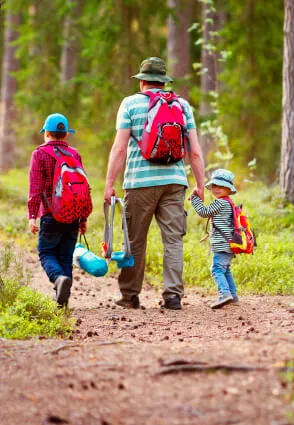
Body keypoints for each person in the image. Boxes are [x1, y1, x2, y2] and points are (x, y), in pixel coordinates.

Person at [104, 57, 205, 310]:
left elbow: (119, 148)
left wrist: (109, 184)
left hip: (139, 183)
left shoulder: (129, 104)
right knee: (173, 240)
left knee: (135, 240)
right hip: (175, 182)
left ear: (142, 82)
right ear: (163, 81)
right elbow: (194, 151)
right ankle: (173, 296)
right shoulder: (182, 105)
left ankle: (129, 296)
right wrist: (200, 185)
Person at [28, 113, 89, 308]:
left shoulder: (40, 154)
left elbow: (35, 188)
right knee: (65, 256)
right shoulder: (75, 154)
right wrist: (83, 218)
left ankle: (57, 279)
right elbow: (83, 189)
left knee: (46, 252)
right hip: (73, 214)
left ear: (46, 133)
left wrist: (32, 216)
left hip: (50, 214)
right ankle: (63, 302)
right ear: (66, 135)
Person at [190, 169, 240, 309]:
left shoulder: (221, 203)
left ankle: (225, 294)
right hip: (229, 244)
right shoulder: (228, 202)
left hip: (222, 245)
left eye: (221, 187)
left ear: (228, 189)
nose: (217, 189)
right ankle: (233, 296)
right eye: (214, 186)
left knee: (216, 269)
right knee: (225, 269)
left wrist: (195, 198)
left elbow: (203, 212)